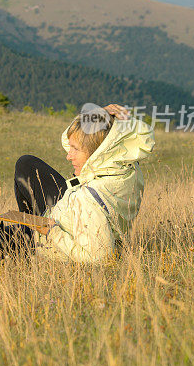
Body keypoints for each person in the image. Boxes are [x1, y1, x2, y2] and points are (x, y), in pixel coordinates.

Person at [12, 103, 155, 263]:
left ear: (97, 152)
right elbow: (73, 141)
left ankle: (30, 244)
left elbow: (99, 258)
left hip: (53, 237)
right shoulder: (125, 164)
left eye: (76, 150)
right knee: (26, 164)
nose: (69, 155)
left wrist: (51, 232)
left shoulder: (87, 198)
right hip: (70, 212)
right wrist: (95, 117)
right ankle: (29, 227)